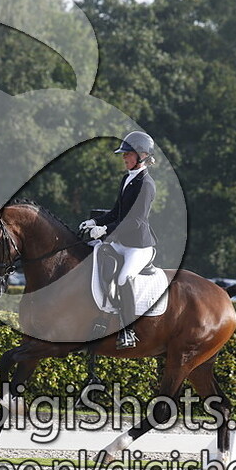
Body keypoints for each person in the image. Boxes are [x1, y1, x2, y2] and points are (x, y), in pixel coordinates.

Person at [79, 131, 157, 350]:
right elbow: (116, 212)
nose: (124, 157)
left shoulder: (146, 184)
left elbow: (136, 221)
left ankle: (128, 331)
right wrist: (95, 221)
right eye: (124, 154)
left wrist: (106, 230)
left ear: (142, 155)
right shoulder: (127, 178)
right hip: (120, 242)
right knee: (92, 260)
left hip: (137, 246)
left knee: (123, 278)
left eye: (128, 154)